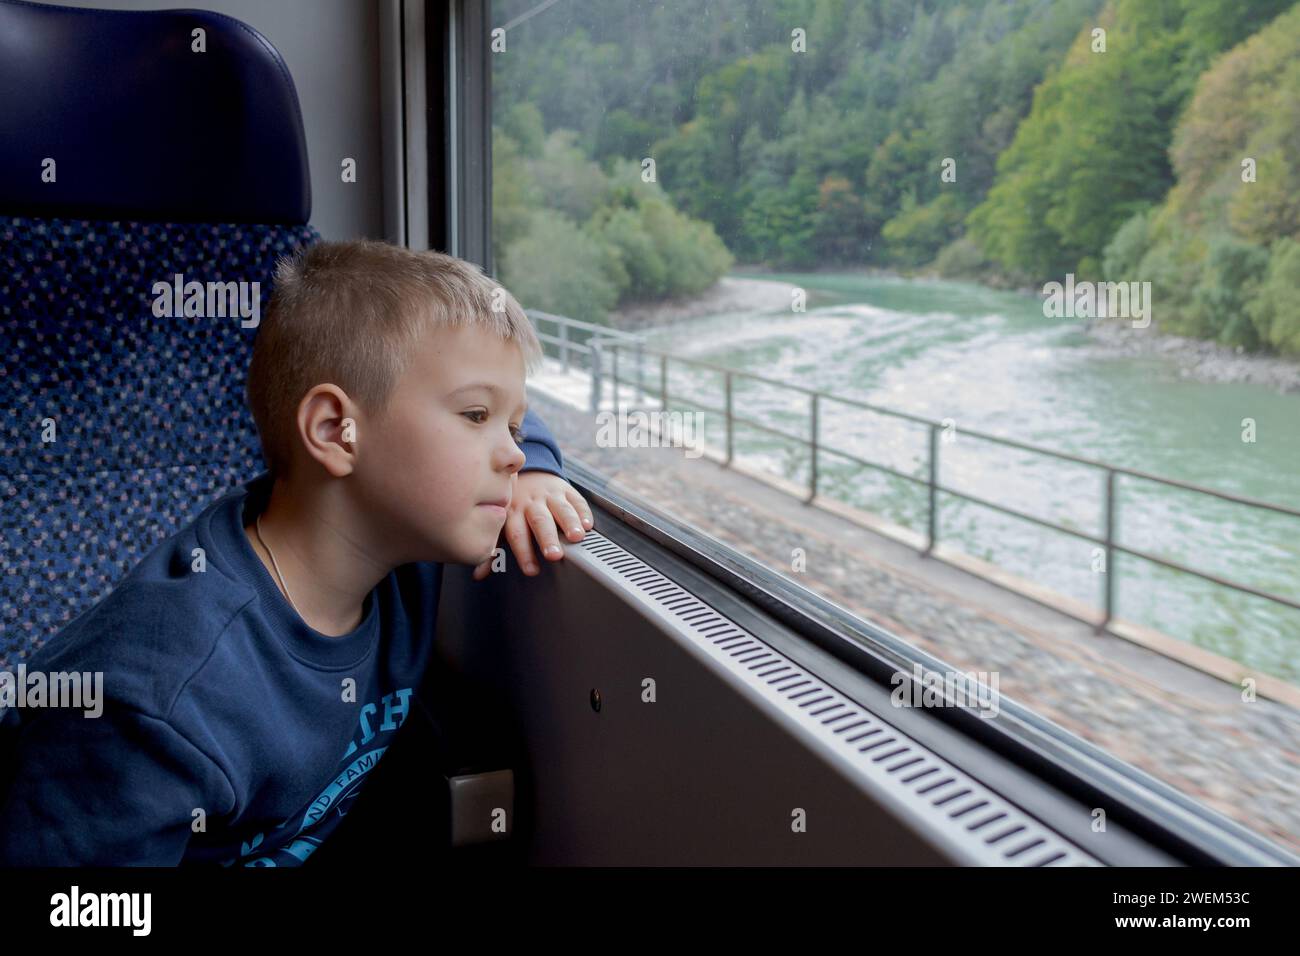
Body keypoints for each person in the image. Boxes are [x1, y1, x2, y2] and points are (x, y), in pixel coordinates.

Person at [0, 239, 593, 865]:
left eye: (515, 427)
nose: (513, 452)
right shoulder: (161, 705)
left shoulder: (400, 546)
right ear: (336, 431)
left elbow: (515, 418)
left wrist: (539, 474)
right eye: (477, 416)